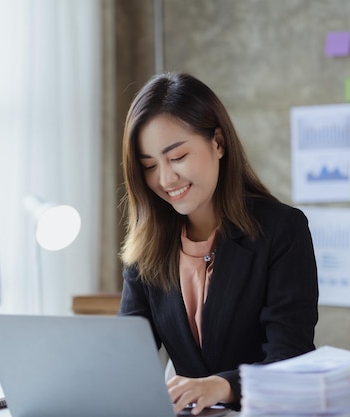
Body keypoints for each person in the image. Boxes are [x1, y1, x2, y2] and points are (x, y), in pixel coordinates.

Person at [118, 72, 318, 413]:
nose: (165, 179)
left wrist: (221, 386)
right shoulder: (148, 247)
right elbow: (125, 359)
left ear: (219, 143)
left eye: (178, 157)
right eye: (150, 166)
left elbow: (290, 358)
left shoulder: (282, 230)